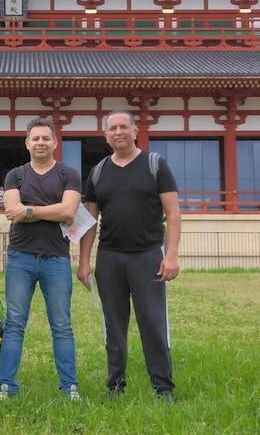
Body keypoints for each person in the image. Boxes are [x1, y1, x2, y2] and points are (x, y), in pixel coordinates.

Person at [77, 110, 181, 403]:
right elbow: (89, 221)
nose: (119, 131)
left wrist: (170, 255)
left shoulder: (154, 165)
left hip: (148, 255)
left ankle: (163, 388)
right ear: (106, 136)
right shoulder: (98, 172)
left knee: (153, 323)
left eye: (124, 126)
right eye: (113, 128)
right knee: (113, 325)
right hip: (110, 258)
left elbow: (173, 213)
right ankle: (115, 385)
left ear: (135, 131)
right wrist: (84, 261)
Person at [0, 117, 83, 401]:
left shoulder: (68, 174)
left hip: (56, 259)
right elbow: (12, 210)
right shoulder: (15, 175)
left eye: (46, 138)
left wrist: (29, 211)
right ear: (27, 143)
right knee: (15, 323)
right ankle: (6, 385)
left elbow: (69, 212)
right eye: (35, 138)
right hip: (20, 256)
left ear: (55, 142)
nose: (41, 143)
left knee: (61, 324)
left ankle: (69, 386)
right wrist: (49, 209)